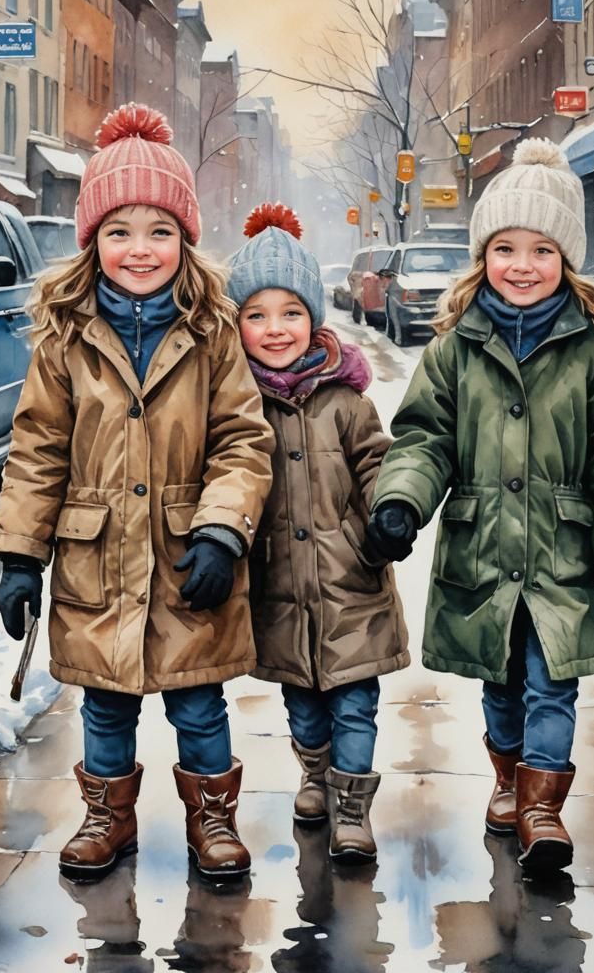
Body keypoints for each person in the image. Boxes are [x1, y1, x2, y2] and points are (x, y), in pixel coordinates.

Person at [0, 103, 275, 882]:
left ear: (185, 239)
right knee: (105, 703)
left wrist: (222, 530)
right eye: (119, 231)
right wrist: (19, 556)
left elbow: (243, 439)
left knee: (198, 703)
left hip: (188, 558)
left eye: (159, 231)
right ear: (92, 241)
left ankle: (212, 819)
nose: (140, 249)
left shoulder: (213, 332)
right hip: (98, 560)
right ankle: (106, 818)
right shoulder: (66, 336)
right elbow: (39, 449)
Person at [364, 139, 594, 874]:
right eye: (506, 249)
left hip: (563, 554)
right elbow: (425, 438)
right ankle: (508, 777)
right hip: (484, 551)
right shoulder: (455, 350)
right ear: (483, 256)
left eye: (542, 251)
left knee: (553, 683)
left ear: (566, 261)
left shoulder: (589, 355)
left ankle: (542, 807)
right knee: (501, 681)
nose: (523, 266)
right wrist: (401, 502)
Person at [226, 202, 409, 865]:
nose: (275, 329)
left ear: (314, 318)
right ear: (237, 324)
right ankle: (315, 773)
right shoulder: (236, 403)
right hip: (277, 584)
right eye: (256, 315)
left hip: (351, 579)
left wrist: (389, 512)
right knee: (302, 701)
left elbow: (377, 461)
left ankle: (352, 807)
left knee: (355, 702)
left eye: (290, 313)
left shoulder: (346, 401)